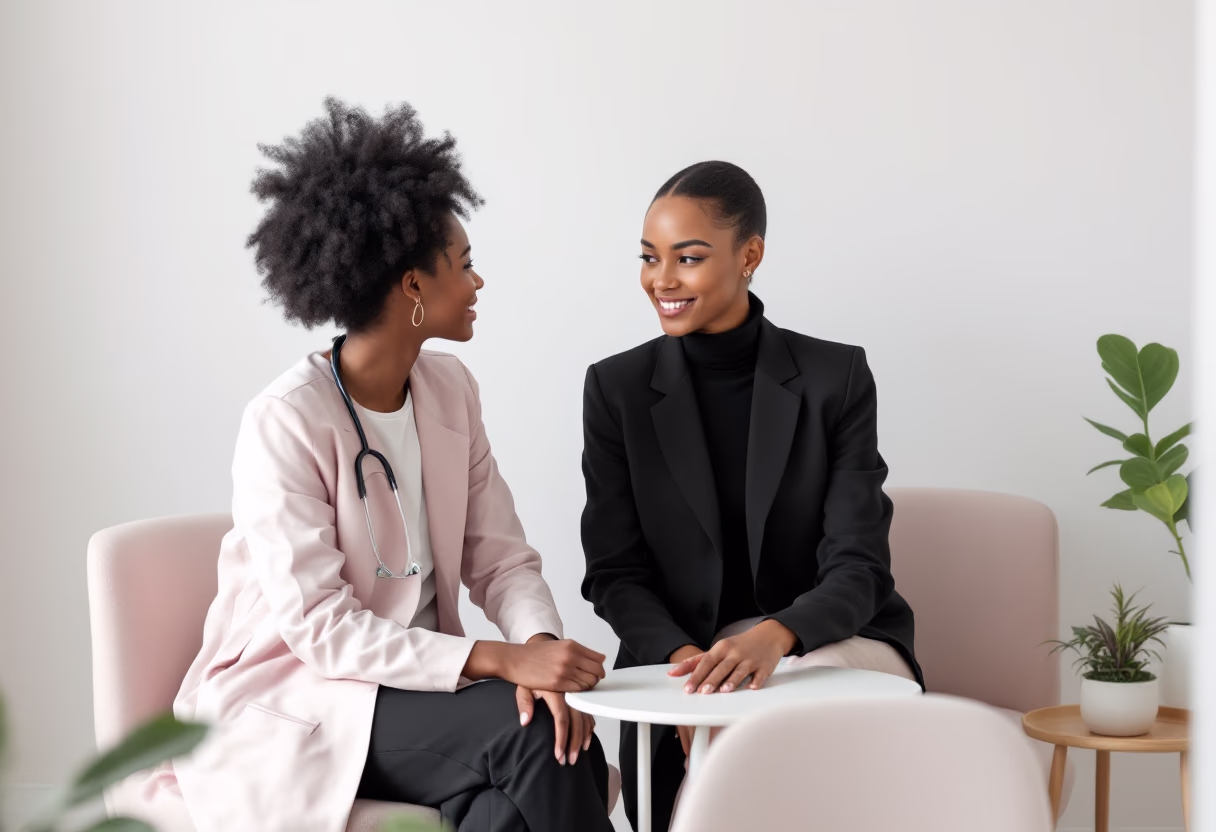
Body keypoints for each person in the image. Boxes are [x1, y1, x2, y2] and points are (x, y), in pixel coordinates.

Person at [171, 99, 614, 832]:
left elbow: (501, 559)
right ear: (413, 285)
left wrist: (537, 645)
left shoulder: (450, 392)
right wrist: (497, 662)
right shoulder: (287, 419)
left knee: (533, 776)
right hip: (307, 694)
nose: (478, 283)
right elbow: (321, 630)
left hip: (416, 685)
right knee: (541, 740)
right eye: (464, 265)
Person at [580, 160, 923, 831]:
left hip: (828, 638)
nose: (662, 280)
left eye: (690, 257)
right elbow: (615, 573)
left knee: (775, 723)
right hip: (680, 654)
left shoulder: (835, 376)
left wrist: (773, 639)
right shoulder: (616, 389)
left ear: (750, 255)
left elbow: (860, 568)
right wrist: (689, 668)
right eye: (650, 258)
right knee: (715, 740)